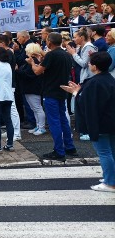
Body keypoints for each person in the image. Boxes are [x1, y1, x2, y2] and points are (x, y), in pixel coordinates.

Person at [61, 52, 115, 192]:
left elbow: (88, 104)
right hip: (111, 121)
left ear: (95, 67)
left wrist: (75, 93)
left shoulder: (95, 82)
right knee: (112, 151)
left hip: (100, 123)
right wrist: (79, 91)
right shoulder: (110, 79)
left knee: (104, 152)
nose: (89, 65)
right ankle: (111, 178)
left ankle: (110, 182)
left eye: (90, 63)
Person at [28, 32, 76, 161]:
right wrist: (42, 56)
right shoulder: (66, 54)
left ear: (49, 42)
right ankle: (70, 147)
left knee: (54, 122)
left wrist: (32, 63)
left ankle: (59, 151)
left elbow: (38, 71)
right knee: (63, 120)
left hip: (51, 92)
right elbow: (53, 63)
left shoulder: (51, 55)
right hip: (62, 91)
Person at [17, 43, 46, 135]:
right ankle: (38, 125)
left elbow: (29, 74)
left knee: (37, 107)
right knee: (34, 108)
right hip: (29, 88)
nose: (25, 51)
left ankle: (41, 127)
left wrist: (18, 70)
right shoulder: (31, 61)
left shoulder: (34, 61)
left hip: (33, 88)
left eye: (26, 49)